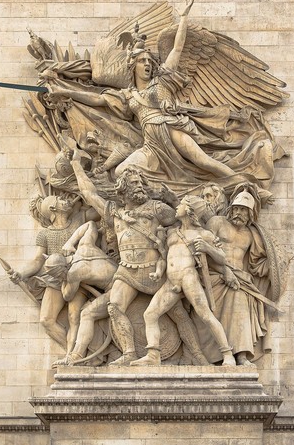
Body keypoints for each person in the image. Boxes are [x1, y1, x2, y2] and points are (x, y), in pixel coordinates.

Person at [46, 0, 261, 187]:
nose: (147, 64)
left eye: (150, 61)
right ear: (133, 67)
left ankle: (245, 185)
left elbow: (177, 49)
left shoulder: (163, 81)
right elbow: (97, 98)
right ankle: (160, 193)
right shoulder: (128, 95)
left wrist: (184, 19)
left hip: (171, 130)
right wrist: (63, 90)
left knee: (203, 161)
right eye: (142, 61)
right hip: (150, 143)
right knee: (122, 171)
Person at [70, 151, 211, 366]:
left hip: (155, 271)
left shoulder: (156, 208)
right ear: (122, 188)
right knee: (114, 306)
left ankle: (199, 356)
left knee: (179, 314)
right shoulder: (113, 212)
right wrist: (76, 164)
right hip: (127, 271)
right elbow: (89, 193)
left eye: (140, 183)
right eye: (133, 183)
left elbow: (185, 221)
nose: (139, 186)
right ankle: (129, 353)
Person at [131, 196, 236, 367]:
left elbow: (222, 258)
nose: (177, 207)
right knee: (150, 314)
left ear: (189, 210)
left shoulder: (204, 234)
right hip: (171, 282)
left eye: (181, 205)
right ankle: (153, 354)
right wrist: (158, 272)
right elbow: (164, 258)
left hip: (189, 278)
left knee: (206, 316)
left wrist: (207, 248)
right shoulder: (172, 232)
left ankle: (227, 354)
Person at [195, 189, 287, 366]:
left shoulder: (250, 234)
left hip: (240, 281)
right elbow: (202, 250)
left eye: (243, 210)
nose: (238, 213)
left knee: (240, 304)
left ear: (250, 214)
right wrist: (224, 271)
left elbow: (254, 265)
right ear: (230, 208)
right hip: (214, 276)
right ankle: (218, 354)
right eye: (236, 208)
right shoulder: (217, 223)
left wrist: (275, 265)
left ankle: (241, 355)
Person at [8, 195, 87, 350]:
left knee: (74, 316)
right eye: (60, 199)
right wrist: (21, 274)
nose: (66, 199)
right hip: (55, 279)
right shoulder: (44, 234)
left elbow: (98, 210)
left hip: (77, 276)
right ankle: (74, 354)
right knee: (46, 320)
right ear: (53, 208)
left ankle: (78, 353)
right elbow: (38, 260)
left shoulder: (79, 220)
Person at [43, 220, 118, 366]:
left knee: (86, 314)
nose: (58, 279)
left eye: (57, 276)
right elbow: (90, 224)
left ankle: (76, 355)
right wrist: (70, 243)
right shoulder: (84, 247)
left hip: (116, 289)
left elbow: (67, 295)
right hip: (120, 278)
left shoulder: (73, 274)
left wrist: (64, 279)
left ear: (61, 270)